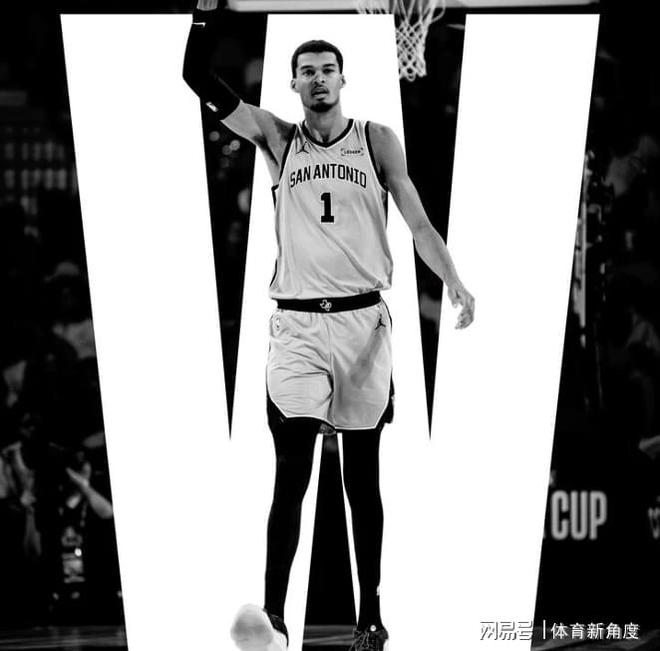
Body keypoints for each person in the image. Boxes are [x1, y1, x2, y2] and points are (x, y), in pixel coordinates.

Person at [183, 2, 475, 649]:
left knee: (361, 480)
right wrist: (204, 17)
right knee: (293, 471)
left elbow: (418, 222)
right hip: (297, 328)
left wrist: (452, 277)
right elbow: (196, 78)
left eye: (327, 70)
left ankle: (370, 616)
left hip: (364, 324)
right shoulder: (277, 137)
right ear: (292, 83)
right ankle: (273, 616)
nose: (318, 79)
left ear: (343, 79)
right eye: (308, 71)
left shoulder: (376, 139)